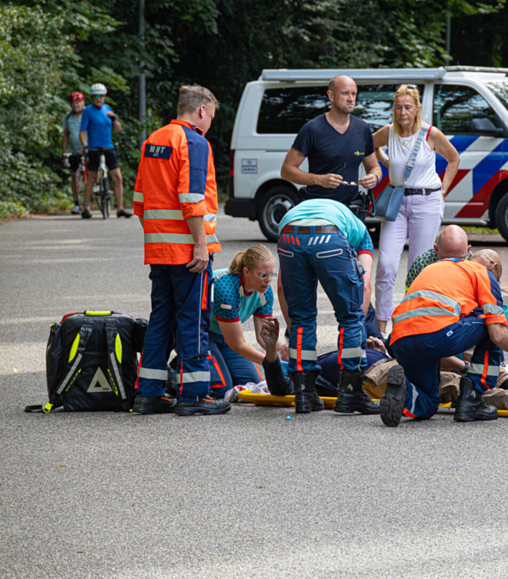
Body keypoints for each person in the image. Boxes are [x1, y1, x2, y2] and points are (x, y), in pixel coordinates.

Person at [132, 85, 227, 416]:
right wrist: (200, 245)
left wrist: (160, 238)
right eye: (212, 116)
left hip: (159, 249)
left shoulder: (153, 140)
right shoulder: (194, 142)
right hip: (189, 251)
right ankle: (195, 395)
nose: (210, 123)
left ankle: (149, 394)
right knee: (193, 319)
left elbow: (140, 203)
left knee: (161, 319)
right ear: (201, 111)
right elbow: (191, 199)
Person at [378, 250, 508, 427]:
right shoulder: (483, 273)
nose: (496, 284)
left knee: (429, 402)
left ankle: (403, 392)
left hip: (400, 339)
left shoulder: (435, 267)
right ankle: (472, 398)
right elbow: (498, 334)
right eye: (498, 280)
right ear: (494, 267)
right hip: (436, 334)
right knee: (492, 322)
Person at [275, 197, 378, 415]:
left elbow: (282, 289)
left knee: (302, 320)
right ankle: (351, 393)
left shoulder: (295, 214)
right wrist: (359, 322)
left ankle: (304, 393)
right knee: (350, 317)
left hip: (289, 236)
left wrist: (292, 329)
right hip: (329, 236)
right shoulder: (359, 230)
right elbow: (366, 285)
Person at [372, 84, 461, 333]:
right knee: (387, 264)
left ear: (417, 108)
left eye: (408, 107)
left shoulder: (430, 134)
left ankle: (412, 325)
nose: (403, 113)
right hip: (396, 205)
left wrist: (443, 191)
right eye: (398, 107)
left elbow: (454, 159)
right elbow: (370, 145)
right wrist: (386, 162)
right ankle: (381, 329)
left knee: (418, 268)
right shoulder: (389, 133)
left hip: (426, 202)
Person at [280, 75, 382, 218]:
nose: (351, 99)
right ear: (331, 96)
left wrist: (374, 177)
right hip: (320, 211)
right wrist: (319, 180)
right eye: (345, 93)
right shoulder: (312, 129)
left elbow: (374, 167)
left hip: (353, 211)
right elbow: (286, 170)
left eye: (354, 94)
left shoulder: (363, 129)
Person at [206, 245, 279, 397]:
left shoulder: (265, 290)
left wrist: (279, 350)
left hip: (224, 337)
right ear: (246, 272)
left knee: (251, 384)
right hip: (201, 334)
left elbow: (263, 337)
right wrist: (273, 364)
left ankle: (216, 364)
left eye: (272, 274)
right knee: (221, 389)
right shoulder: (225, 287)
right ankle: (177, 372)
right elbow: (237, 344)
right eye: (263, 275)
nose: (269, 280)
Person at [79, 83, 130, 219]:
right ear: (92, 97)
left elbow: (118, 129)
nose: (98, 98)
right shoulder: (88, 111)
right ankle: (85, 208)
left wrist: (114, 119)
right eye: (96, 96)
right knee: (91, 178)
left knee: (117, 177)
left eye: (101, 96)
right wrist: (85, 146)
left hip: (108, 146)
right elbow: (82, 132)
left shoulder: (107, 109)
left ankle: (120, 208)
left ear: (105, 97)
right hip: (94, 148)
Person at [404, 224, 471, 289]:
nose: (452, 264)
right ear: (436, 249)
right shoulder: (421, 263)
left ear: (468, 250)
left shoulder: (474, 264)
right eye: (447, 259)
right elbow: (410, 297)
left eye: (459, 259)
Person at [62, 91, 86, 214]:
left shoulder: (88, 114)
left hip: (87, 148)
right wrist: (65, 152)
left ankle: (95, 190)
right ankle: (77, 203)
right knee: (74, 176)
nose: (76, 105)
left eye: (78, 102)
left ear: (83, 103)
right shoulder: (68, 117)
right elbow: (66, 135)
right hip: (74, 150)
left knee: (92, 169)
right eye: (73, 103)